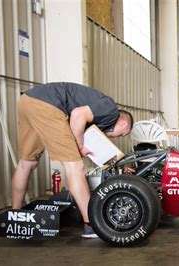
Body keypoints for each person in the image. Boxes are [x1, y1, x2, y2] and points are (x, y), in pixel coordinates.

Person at [12, 82, 133, 238]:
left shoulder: (97, 117)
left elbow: (76, 122)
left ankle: (15, 217)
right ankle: (91, 225)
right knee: (75, 166)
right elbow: (77, 114)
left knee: (27, 163)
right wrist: (79, 146)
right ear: (123, 123)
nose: (118, 137)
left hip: (27, 101)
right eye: (123, 133)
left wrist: (81, 146)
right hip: (47, 105)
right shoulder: (110, 109)